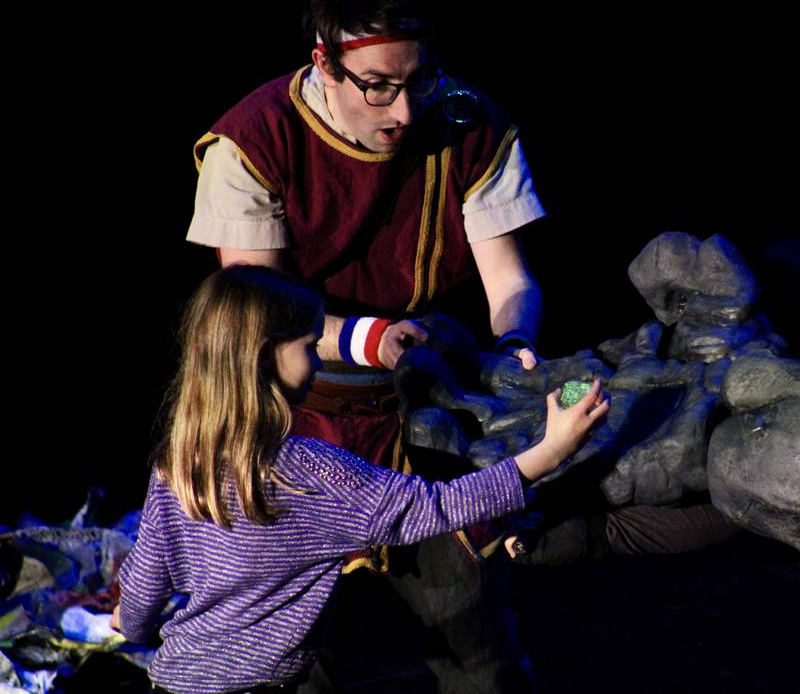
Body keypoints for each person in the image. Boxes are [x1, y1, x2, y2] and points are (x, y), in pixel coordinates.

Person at [186, 0, 547, 691]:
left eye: (418, 79)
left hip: (420, 413)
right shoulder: (253, 141)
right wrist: (365, 337)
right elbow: (256, 315)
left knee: (480, 654)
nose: (404, 109)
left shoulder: (469, 123)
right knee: (296, 663)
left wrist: (514, 350)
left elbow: (510, 282)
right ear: (324, 62)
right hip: (290, 427)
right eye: (378, 86)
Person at [113, 265, 609, 694]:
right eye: (309, 346)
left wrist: (129, 621)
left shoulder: (178, 464)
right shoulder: (309, 473)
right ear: (266, 355)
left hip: (175, 681)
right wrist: (550, 452)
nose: (317, 361)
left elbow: (142, 585)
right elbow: (433, 506)